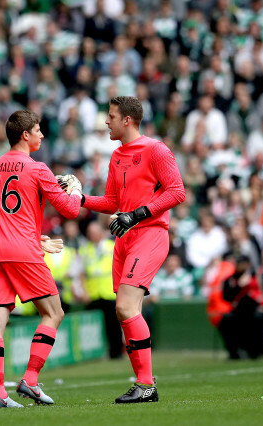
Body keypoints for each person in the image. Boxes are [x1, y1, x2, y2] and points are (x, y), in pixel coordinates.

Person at [62, 96, 185, 403]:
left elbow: (177, 191)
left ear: (127, 120)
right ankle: (144, 385)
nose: (107, 121)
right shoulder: (117, 156)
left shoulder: (156, 149)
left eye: (112, 116)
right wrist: (80, 199)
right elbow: (112, 203)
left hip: (149, 234)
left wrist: (139, 214)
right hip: (125, 237)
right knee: (128, 312)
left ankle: (146, 384)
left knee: (125, 308)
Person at [0, 110, 82, 408]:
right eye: (38, 130)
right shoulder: (37, 169)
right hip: (23, 254)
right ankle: (30, 380)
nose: (42, 135)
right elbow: (70, 211)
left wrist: (32, 234)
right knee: (54, 313)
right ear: (26, 135)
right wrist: (75, 191)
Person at [219, 256, 263, 360]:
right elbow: (226, 297)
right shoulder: (231, 279)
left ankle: (255, 351)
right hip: (238, 312)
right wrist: (239, 286)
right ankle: (234, 352)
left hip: (255, 311)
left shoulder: (258, 277)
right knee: (225, 321)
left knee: (256, 321)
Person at [78, 221, 122, 359]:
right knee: (93, 327)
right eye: (90, 233)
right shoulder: (84, 250)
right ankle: (95, 354)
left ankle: (116, 353)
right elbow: (80, 273)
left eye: (94, 232)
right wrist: (83, 292)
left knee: (113, 326)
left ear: (101, 233)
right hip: (93, 294)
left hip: (110, 292)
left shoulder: (112, 246)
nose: (92, 235)